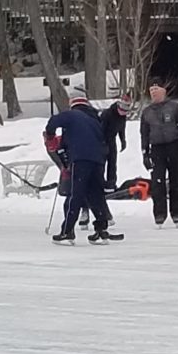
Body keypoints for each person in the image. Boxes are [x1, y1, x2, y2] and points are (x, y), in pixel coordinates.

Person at [48, 93, 122, 244]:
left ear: (73, 105)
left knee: (76, 194)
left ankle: (67, 231)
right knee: (96, 195)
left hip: (81, 160)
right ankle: (101, 230)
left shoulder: (72, 115)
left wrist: (50, 135)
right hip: (98, 161)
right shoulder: (94, 119)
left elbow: (54, 121)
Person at [139, 81, 178, 226]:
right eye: (151, 91)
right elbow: (144, 133)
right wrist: (145, 153)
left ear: (163, 92)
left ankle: (177, 213)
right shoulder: (147, 111)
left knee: (176, 181)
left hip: (174, 146)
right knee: (158, 182)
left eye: (156, 90)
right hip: (157, 149)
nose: (153, 93)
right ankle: (160, 213)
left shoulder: (174, 107)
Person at [100, 94, 132, 190]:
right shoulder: (107, 114)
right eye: (122, 110)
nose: (123, 113)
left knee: (112, 162)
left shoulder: (123, 117)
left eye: (125, 111)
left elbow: (122, 128)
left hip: (112, 140)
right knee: (101, 163)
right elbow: (101, 128)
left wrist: (123, 140)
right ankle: (99, 183)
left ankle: (111, 183)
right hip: (103, 139)